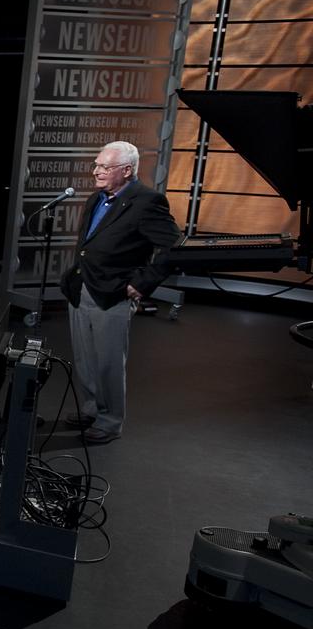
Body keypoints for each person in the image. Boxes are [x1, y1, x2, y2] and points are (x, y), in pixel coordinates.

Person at [60, 141, 181, 444]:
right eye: (96, 165)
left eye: (104, 167)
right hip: (83, 286)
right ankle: (90, 408)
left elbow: (173, 246)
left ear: (127, 171)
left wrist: (142, 283)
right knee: (85, 358)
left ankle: (109, 421)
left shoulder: (147, 201)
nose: (96, 172)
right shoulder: (96, 198)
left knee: (108, 362)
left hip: (113, 292)